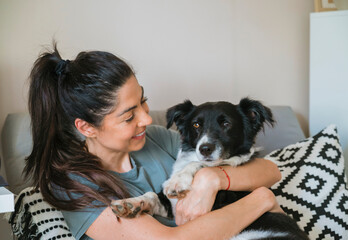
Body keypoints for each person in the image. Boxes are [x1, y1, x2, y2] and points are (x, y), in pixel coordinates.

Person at [25, 44, 283, 240]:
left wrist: (211, 180)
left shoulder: (156, 139)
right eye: (129, 116)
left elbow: (269, 171)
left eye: (143, 102)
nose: (147, 118)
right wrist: (260, 200)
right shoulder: (73, 184)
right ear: (87, 127)